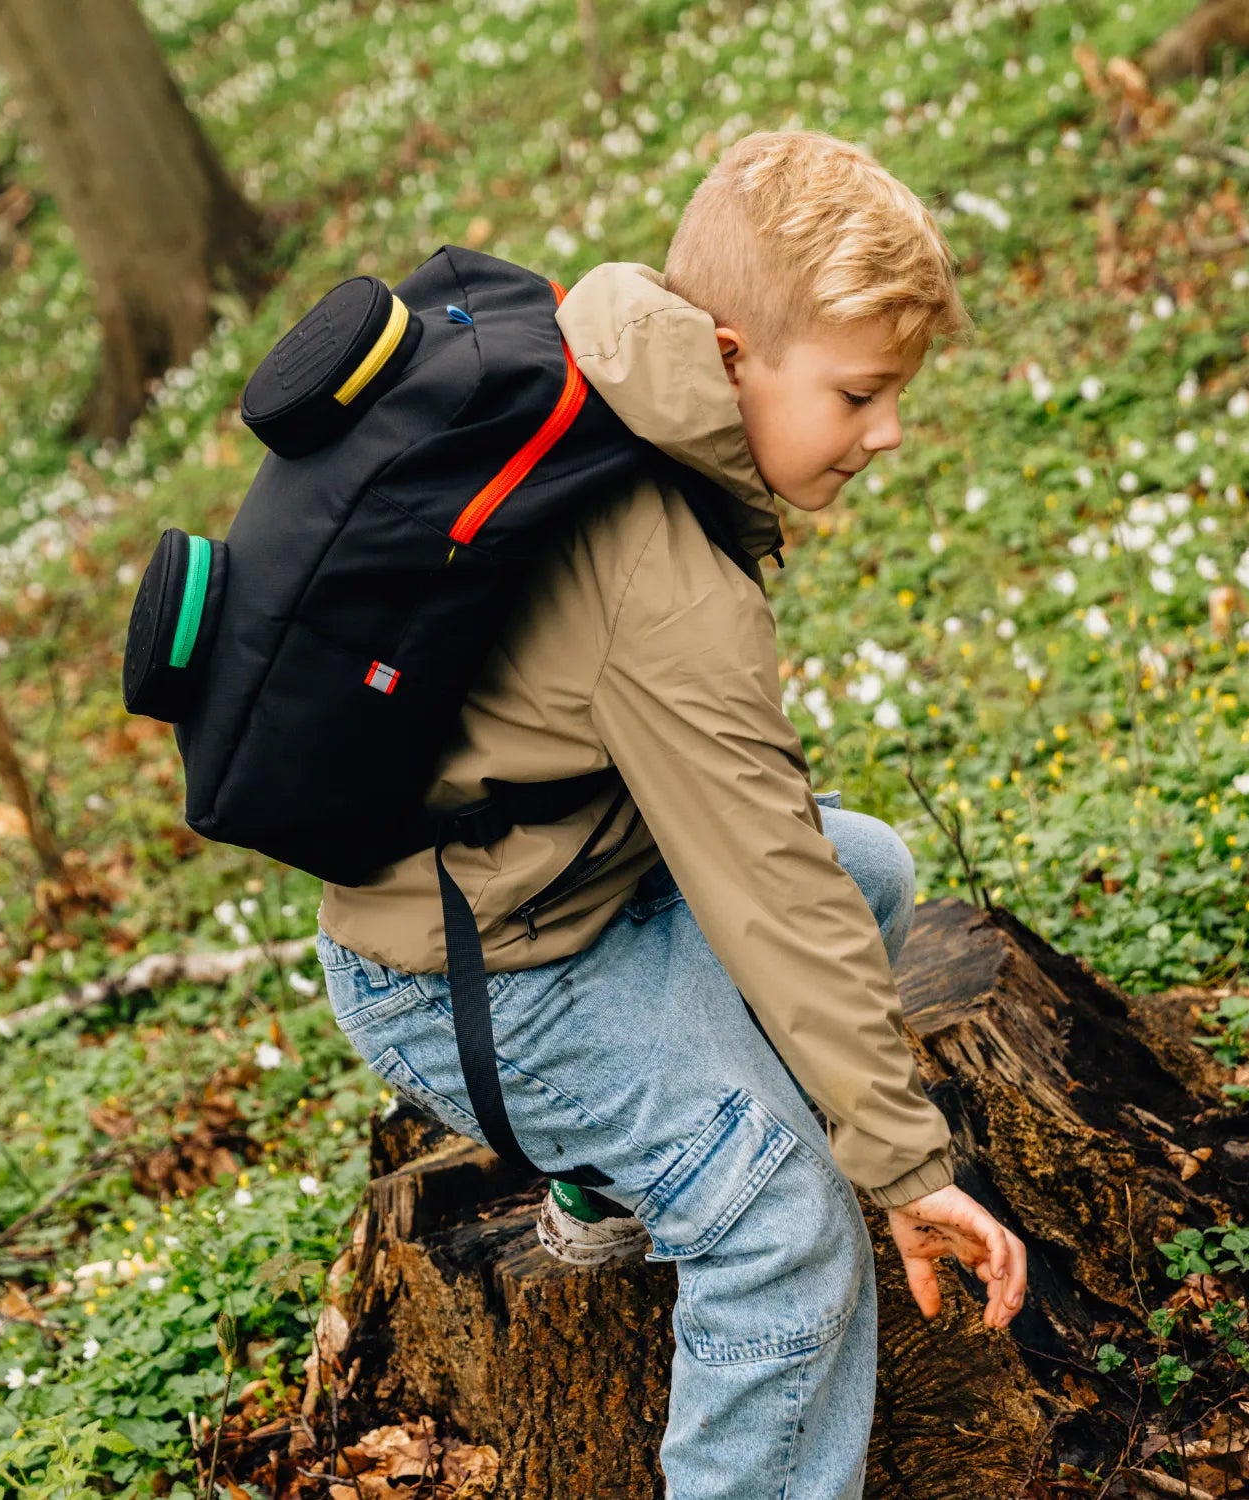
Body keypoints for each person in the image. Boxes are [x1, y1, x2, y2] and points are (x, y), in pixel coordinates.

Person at [316, 128, 1027, 1496]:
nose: (888, 431)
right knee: (786, 1228)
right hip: (475, 978)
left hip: (553, 881)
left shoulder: (622, 388)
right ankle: (678, 1186)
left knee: (870, 872)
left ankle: (619, 1179)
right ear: (735, 356)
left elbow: (789, 862)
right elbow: (766, 883)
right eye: (860, 393)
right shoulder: (662, 578)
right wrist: (902, 1165)